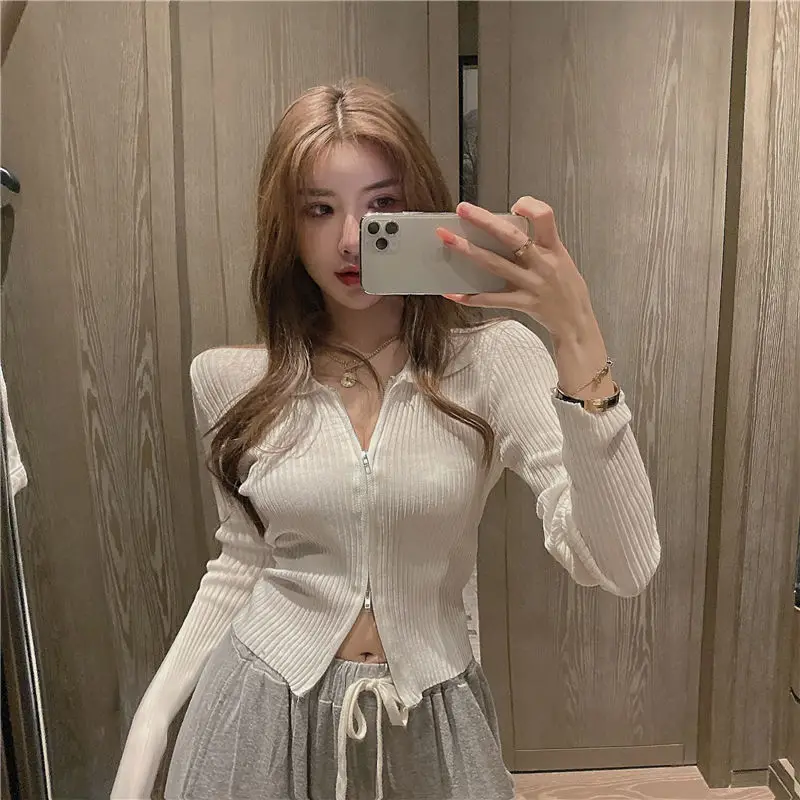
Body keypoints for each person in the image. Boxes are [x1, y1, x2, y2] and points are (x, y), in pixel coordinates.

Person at [111, 79, 661, 800]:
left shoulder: (492, 364)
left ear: (422, 210)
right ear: (286, 227)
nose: (351, 238)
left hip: (429, 721)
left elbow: (623, 565)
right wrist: (150, 724)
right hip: (258, 718)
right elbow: (242, 560)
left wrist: (576, 331)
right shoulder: (231, 381)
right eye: (319, 208)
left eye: (383, 207)